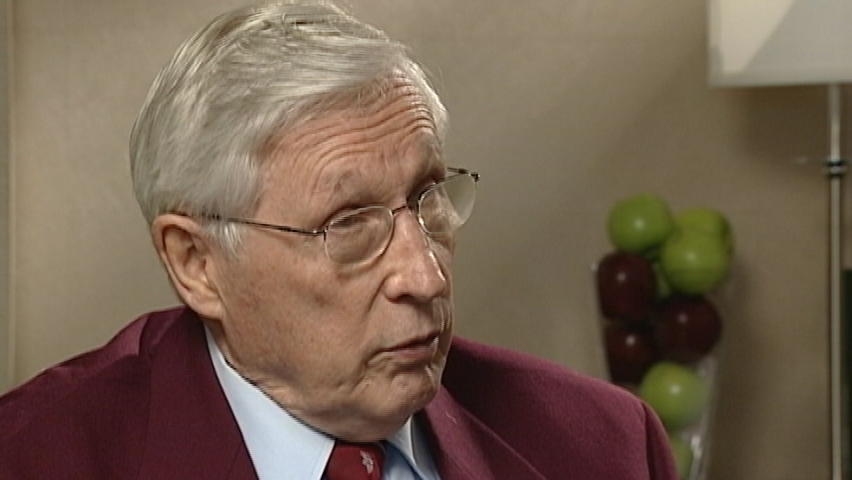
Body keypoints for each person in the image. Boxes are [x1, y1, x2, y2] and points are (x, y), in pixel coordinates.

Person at [0, 1, 678, 479]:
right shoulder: (32, 457)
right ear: (197, 263)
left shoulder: (609, 448)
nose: (426, 277)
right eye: (349, 223)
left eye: (428, 197)